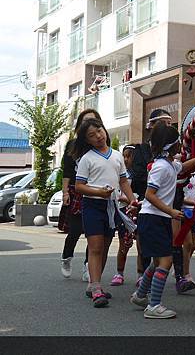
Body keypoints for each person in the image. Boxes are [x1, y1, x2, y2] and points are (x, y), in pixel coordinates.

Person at [129, 122, 195, 318]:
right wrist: (171, 211)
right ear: (171, 146)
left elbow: (183, 166)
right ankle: (154, 305)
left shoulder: (168, 164)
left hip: (158, 218)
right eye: (178, 143)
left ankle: (141, 295)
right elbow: (150, 194)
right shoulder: (161, 167)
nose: (180, 147)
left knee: (156, 262)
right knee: (165, 262)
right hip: (154, 218)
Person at [72, 118, 137, 308]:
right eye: (92, 135)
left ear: (104, 130)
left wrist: (132, 199)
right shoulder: (87, 158)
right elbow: (79, 186)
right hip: (92, 206)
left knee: (106, 247)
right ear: (87, 141)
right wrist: (99, 192)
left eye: (99, 131)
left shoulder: (117, 156)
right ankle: (97, 289)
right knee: (95, 248)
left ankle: (94, 284)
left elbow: (123, 181)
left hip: (112, 207)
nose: (98, 136)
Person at [60, 109, 102, 281]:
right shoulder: (73, 145)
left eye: (93, 121)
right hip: (77, 191)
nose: (89, 124)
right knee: (76, 230)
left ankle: (87, 266)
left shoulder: (100, 145)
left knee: (92, 232)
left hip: (95, 192)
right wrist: (65, 193)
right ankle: (66, 258)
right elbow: (67, 171)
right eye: (86, 121)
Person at [131, 109, 172, 285]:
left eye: (170, 124)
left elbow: (182, 169)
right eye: (164, 123)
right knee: (153, 252)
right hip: (149, 205)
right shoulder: (142, 151)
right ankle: (149, 293)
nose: (168, 127)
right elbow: (142, 181)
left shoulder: (168, 161)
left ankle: (144, 292)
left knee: (164, 253)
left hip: (163, 206)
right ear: (152, 125)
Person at [110, 144, 137, 286]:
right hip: (123, 213)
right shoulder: (121, 174)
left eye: (129, 156)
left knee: (141, 246)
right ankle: (119, 273)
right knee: (123, 244)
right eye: (124, 156)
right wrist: (129, 199)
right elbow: (118, 195)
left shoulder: (139, 175)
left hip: (137, 212)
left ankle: (141, 274)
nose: (126, 159)